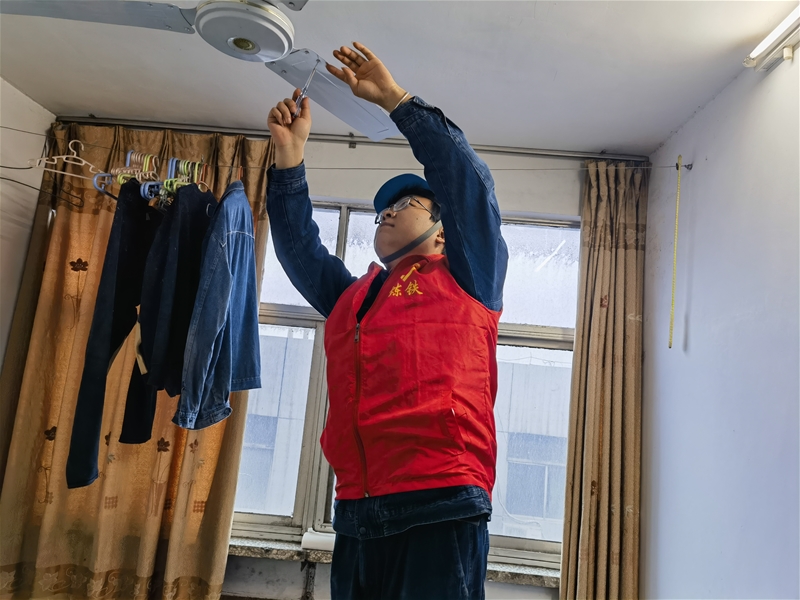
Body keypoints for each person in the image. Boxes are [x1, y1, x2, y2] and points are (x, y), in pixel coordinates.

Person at [266, 42, 508, 600]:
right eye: (381, 211)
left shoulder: (470, 274)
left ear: (443, 232)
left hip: (440, 500)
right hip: (356, 510)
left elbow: (465, 183)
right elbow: (300, 251)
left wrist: (396, 101)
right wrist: (289, 158)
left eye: (405, 206)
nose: (387, 214)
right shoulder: (356, 297)